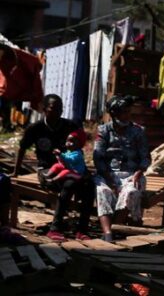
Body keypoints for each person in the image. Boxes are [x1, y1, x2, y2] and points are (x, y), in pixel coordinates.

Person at [13, 94, 94, 241]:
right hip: (48, 170)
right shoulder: (35, 128)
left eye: (60, 109)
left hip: (70, 167)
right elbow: (22, 149)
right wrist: (16, 172)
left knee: (89, 185)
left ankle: (82, 229)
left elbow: (78, 150)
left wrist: (82, 170)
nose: (57, 112)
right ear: (44, 109)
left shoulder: (70, 126)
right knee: (69, 184)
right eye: (53, 108)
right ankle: (55, 228)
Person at [94, 95, 151, 242]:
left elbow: (145, 157)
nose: (126, 116)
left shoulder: (138, 131)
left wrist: (139, 172)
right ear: (114, 113)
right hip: (108, 173)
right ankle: (107, 234)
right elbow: (98, 157)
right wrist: (109, 180)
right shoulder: (103, 130)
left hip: (132, 174)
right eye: (123, 112)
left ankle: (115, 227)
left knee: (131, 192)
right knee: (103, 191)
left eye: (128, 112)